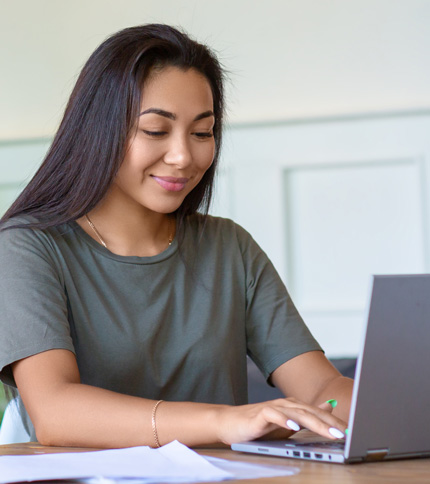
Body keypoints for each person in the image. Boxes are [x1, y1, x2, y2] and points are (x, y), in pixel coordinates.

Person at [0, 24, 353, 449]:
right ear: (99, 131)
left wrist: (355, 404)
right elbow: (56, 413)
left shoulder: (229, 248)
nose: (184, 156)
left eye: (202, 132)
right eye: (155, 131)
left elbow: (323, 388)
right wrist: (225, 422)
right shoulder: (26, 247)